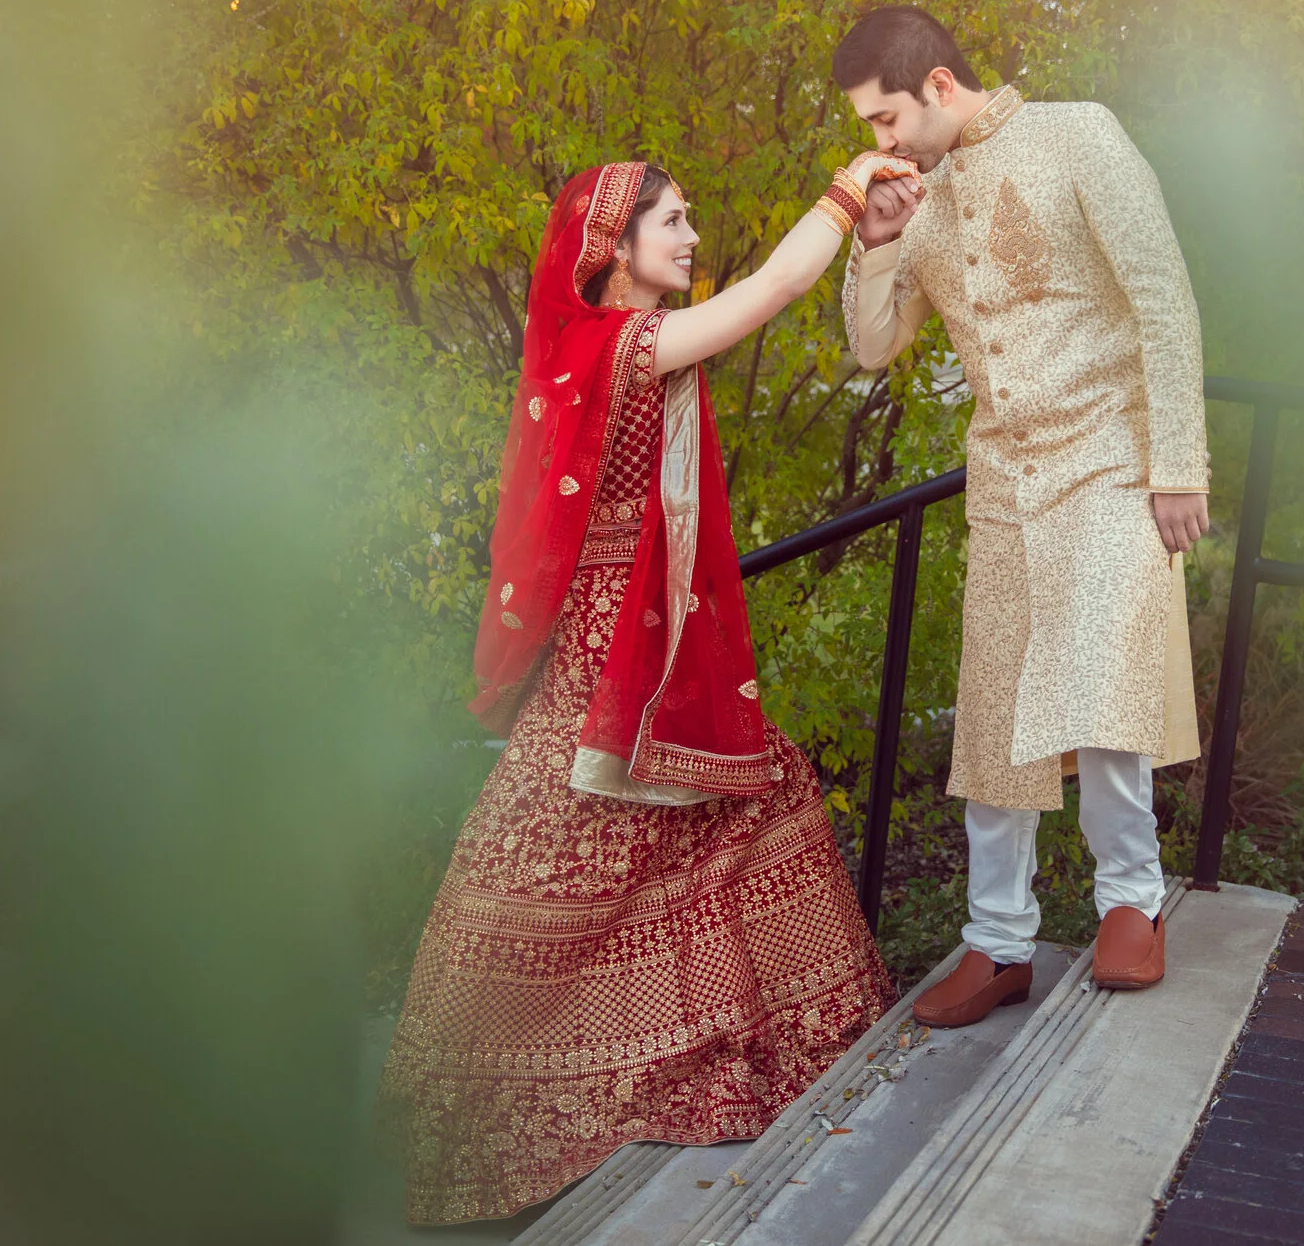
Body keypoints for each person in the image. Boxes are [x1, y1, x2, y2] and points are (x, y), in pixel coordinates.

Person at [379, 153, 913, 1224]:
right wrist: (846, 191)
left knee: (732, 807)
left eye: (690, 215)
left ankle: (699, 1048)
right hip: (607, 656)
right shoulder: (620, 343)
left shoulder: (607, 344)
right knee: (553, 859)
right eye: (669, 221)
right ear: (610, 249)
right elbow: (767, 295)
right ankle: (488, 1106)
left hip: (651, 642)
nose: (690, 235)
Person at [835, 5, 1209, 1028]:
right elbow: (872, 349)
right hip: (1001, 480)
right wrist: (874, 244)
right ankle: (997, 939)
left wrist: (1178, 465)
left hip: (1108, 459)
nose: (881, 143)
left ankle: (1130, 900)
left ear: (938, 86)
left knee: (1101, 687)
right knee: (994, 716)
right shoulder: (921, 199)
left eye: (886, 118)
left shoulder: (1080, 132)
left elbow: (1163, 298)